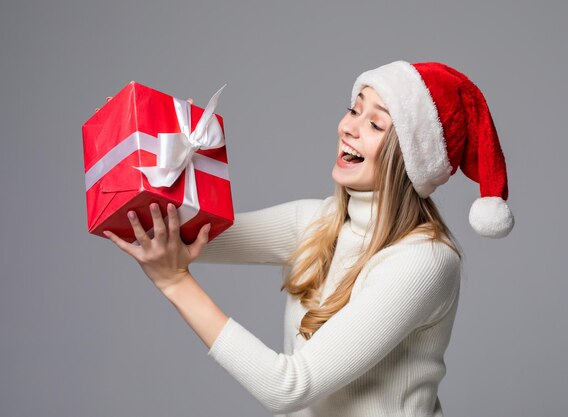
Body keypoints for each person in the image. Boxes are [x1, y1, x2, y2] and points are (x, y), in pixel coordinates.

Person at [103, 60, 515, 416]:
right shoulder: (318, 221)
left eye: (375, 123)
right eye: (353, 110)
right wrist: (173, 153)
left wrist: (175, 282)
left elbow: (288, 387)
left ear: (412, 155)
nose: (348, 128)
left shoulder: (424, 261)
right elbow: (179, 235)